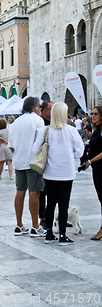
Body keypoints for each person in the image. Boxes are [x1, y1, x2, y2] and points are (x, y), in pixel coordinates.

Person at [32, 102, 84, 245]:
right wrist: (69, 153)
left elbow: (35, 149)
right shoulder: (72, 131)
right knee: (63, 205)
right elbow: (80, 153)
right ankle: (62, 236)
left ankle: (49, 233)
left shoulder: (45, 130)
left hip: (50, 173)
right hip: (66, 173)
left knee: (50, 204)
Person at [8, 96, 46, 237]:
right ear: (35, 107)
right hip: (33, 161)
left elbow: (11, 146)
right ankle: (35, 226)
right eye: (39, 108)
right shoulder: (38, 120)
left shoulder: (16, 122)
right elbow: (40, 142)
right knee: (34, 193)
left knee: (20, 192)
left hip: (18, 161)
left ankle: (19, 225)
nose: (40, 110)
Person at [83, 106, 102, 240]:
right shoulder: (96, 131)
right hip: (96, 168)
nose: (93, 116)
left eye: (96, 114)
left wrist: (90, 161)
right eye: (92, 113)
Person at [39, 101, 53, 229]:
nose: (53, 112)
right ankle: (43, 218)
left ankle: (60, 217)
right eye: (50, 109)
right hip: (43, 161)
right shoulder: (40, 123)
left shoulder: (56, 123)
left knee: (57, 191)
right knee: (42, 191)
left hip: (55, 161)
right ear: (43, 110)